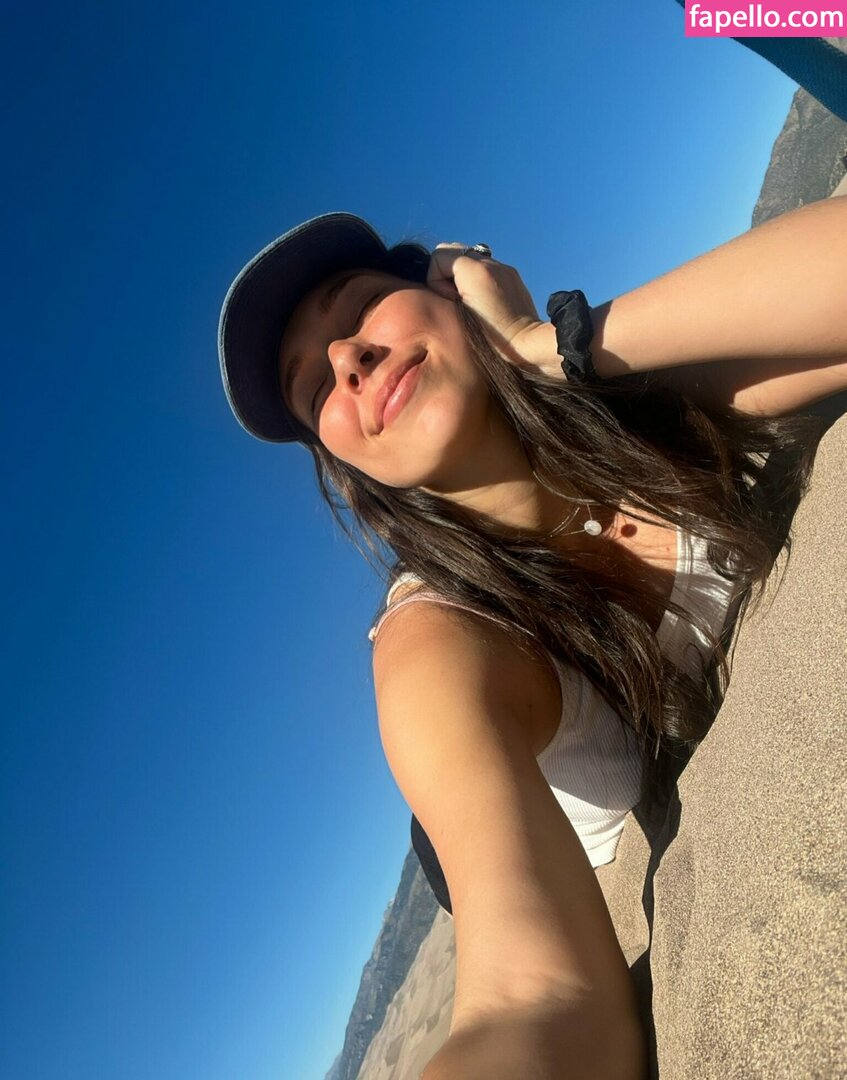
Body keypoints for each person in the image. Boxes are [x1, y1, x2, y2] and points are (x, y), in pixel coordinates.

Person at [217, 200, 846, 1079]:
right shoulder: (438, 638)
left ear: (449, 292)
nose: (346, 360)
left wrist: (543, 343)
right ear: (347, 467)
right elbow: (534, 999)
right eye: (313, 390)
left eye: (357, 307)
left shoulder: (631, 413)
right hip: (484, 794)